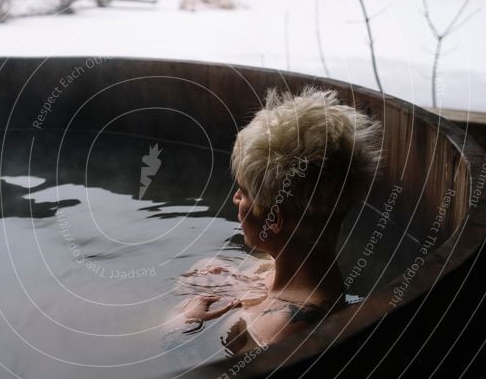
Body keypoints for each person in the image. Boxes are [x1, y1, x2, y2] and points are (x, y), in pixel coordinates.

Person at [164, 87, 382, 357]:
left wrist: (182, 323)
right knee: (208, 266)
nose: (235, 198)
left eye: (243, 192)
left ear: (274, 220)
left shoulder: (277, 330)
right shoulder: (301, 268)